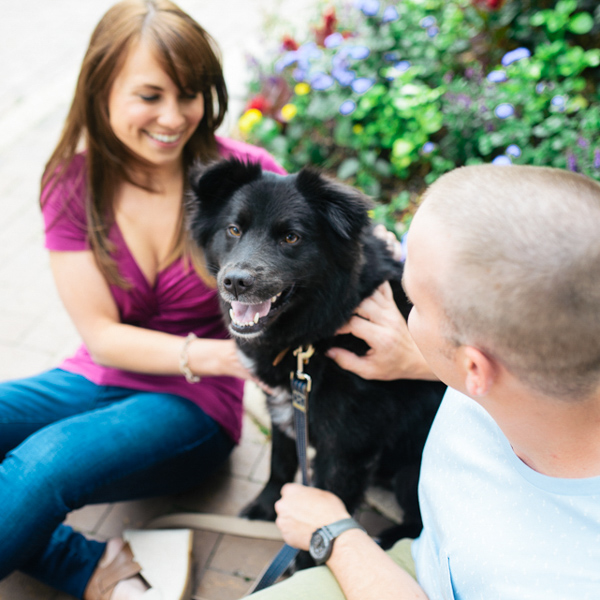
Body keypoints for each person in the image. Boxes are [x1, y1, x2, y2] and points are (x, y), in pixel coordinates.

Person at [0, 1, 285, 599]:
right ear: (101, 90)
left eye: (189, 94)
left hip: (196, 405)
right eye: (150, 96)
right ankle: (85, 565)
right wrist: (225, 355)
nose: (175, 117)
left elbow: (310, 265)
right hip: (98, 374)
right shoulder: (71, 184)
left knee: (42, 464)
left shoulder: (248, 177)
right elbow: (101, 336)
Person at [249, 164, 600, 599]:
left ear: (475, 370)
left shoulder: (561, 578)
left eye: (411, 300)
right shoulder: (540, 371)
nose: (394, 300)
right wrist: (422, 362)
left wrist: (334, 534)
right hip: (429, 550)